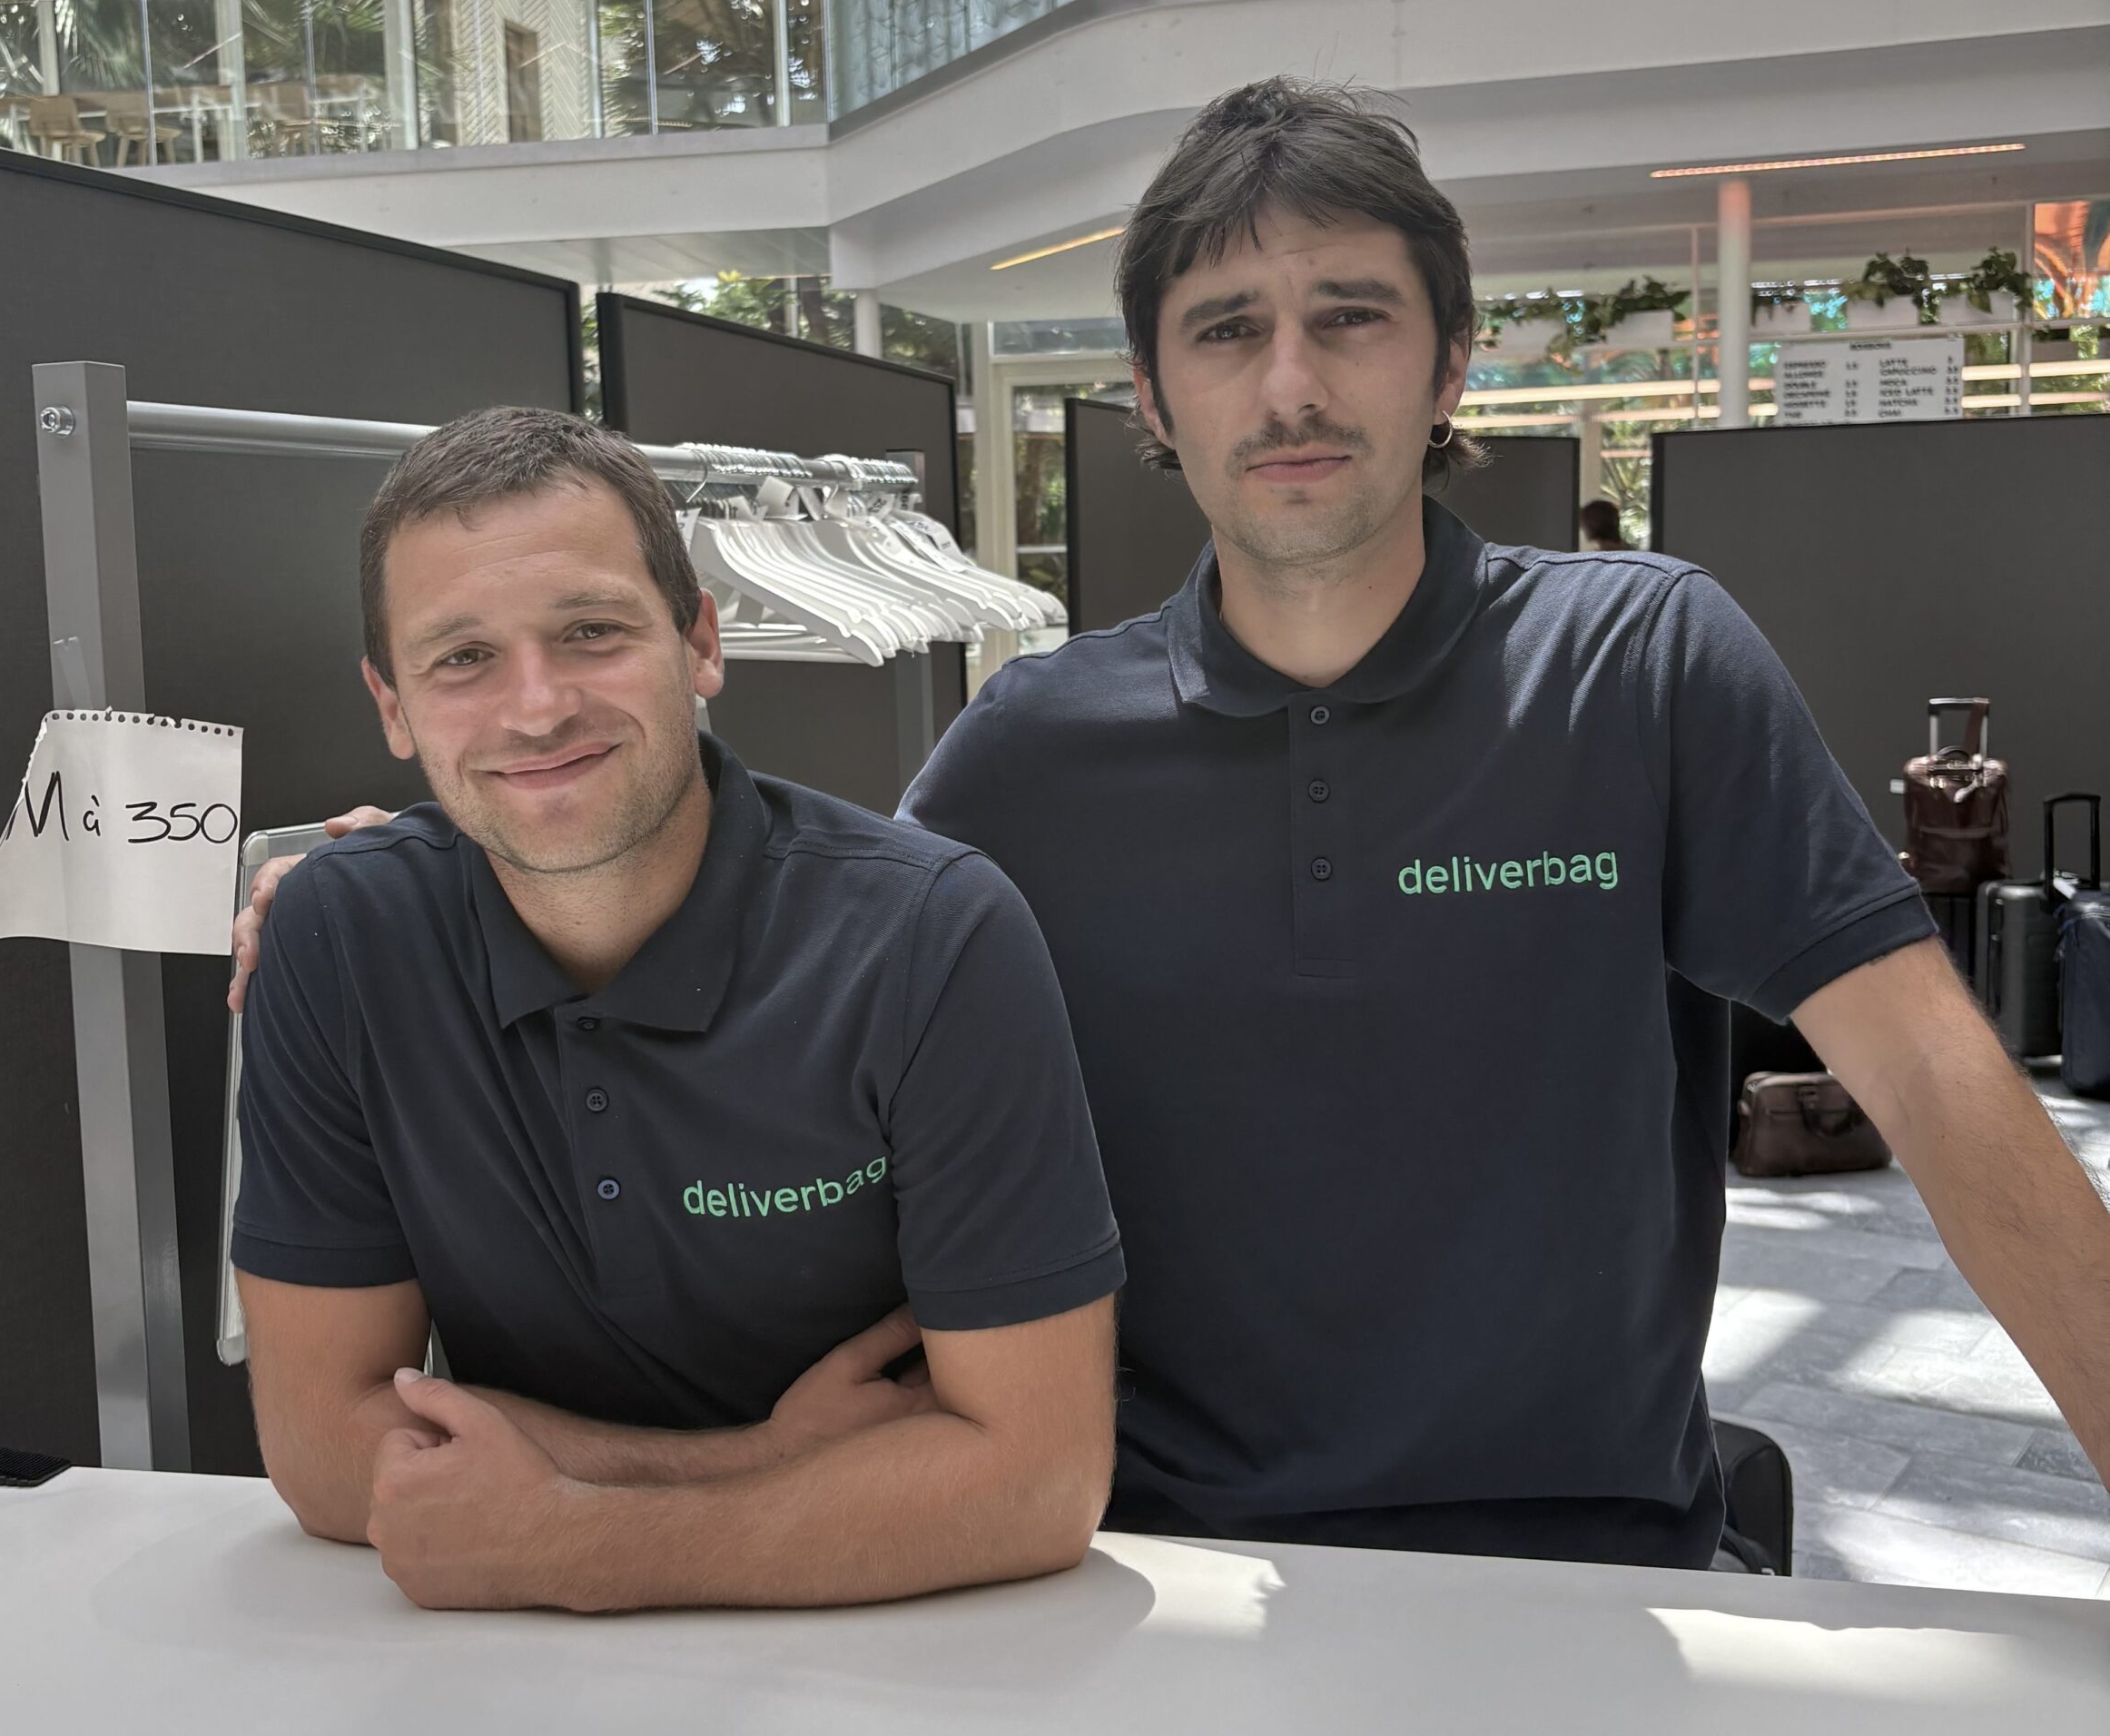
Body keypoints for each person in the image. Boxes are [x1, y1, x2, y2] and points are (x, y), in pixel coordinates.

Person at [243, 81, 2110, 1575]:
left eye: (1346, 318)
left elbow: (1947, 1100)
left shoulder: (1639, 661)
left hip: (1579, 1557)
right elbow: (790, 961)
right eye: (1224, 331)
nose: (1287, 383)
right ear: (1147, 394)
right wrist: (425, 863)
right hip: (1130, 1571)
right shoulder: (1025, 751)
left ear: (1447, 363)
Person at [227, 407, 1122, 1613]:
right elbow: (325, 1448)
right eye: (462, 658)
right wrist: (757, 1463)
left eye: (589, 632)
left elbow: (1038, 1479)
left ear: (699, 641)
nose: (536, 707)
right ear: (392, 705)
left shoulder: (932, 936)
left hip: (901, 1666)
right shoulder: (335, 938)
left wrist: (584, 1544)